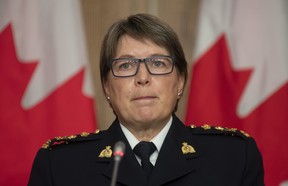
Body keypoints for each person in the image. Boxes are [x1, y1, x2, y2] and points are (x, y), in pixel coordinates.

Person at [28, 13, 264, 186]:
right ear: (107, 86)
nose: (143, 78)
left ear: (180, 81)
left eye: (158, 63)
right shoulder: (59, 165)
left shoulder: (234, 158)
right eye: (126, 65)